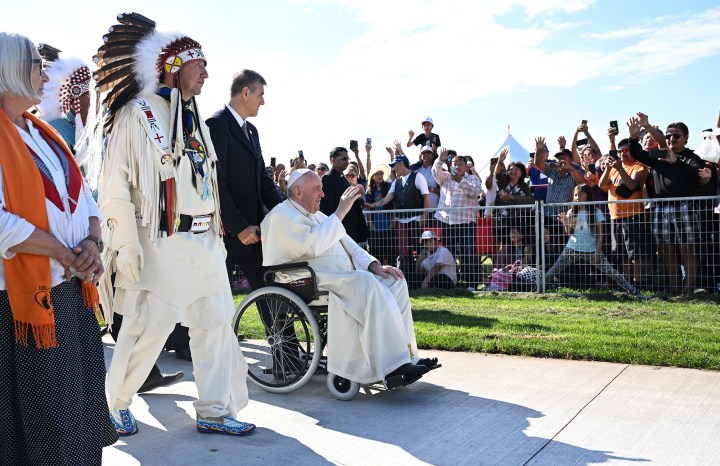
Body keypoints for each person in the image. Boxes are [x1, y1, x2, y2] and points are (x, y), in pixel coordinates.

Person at [91, 13, 254, 436]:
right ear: (174, 67)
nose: (206, 73)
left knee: (216, 324)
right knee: (149, 327)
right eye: (199, 65)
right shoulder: (136, 114)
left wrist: (218, 227)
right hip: (162, 239)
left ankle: (214, 410)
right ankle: (115, 403)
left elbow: (207, 177)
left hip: (203, 242)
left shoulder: (194, 116)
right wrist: (126, 243)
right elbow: (115, 186)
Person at [0, 32, 117, 464]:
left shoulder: (45, 134)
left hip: (70, 294)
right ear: (8, 67)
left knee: (80, 414)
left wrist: (91, 244)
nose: (46, 74)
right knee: (47, 423)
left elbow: (84, 198)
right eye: (35, 63)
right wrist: (61, 252)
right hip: (25, 303)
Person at [260, 169, 438, 386]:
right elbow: (314, 245)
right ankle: (391, 367)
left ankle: (407, 356)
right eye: (317, 189)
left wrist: (375, 266)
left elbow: (348, 243)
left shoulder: (316, 214)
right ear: (298, 191)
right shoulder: (281, 215)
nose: (322, 194)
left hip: (339, 276)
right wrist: (341, 210)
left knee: (395, 281)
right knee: (365, 283)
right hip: (309, 280)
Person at [206, 69, 282, 293]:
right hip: (228, 235)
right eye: (261, 94)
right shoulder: (216, 125)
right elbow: (216, 182)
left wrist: (285, 212)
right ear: (246, 92)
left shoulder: (252, 131)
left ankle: (281, 331)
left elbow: (262, 179)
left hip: (255, 233)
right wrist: (239, 227)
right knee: (213, 301)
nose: (263, 101)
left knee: (273, 298)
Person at [627, 114, 709, 293]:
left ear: (686, 138)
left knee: (687, 247)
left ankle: (688, 290)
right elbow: (637, 153)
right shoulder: (658, 156)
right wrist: (633, 137)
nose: (672, 139)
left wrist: (676, 162)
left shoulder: (692, 157)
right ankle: (675, 289)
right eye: (668, 135)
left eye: (676, 136)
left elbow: (697, 175)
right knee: (666, 248)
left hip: (684, 206)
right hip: (661, 207)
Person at [545, 185, 638, 294]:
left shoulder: (597, 212)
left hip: (592, 250)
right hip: (572, 249)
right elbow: (569, 233)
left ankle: (633, 291)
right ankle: (537, 288)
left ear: (588, 195)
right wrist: (565, 223)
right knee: (553, 270)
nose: (577, 197)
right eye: (575, 195)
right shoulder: (571, 212)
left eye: (580, 194)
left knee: (612, 272)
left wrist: (598, 252)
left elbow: (600, 235)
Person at [598, 136, 649, 287]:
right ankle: (627, 284)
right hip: (615, 216)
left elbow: (633, 185)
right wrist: (608, 168)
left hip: (632, 215)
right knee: (621, 254)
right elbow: (602, 185)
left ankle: (638, 284)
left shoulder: (639, 166)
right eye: (620, 151)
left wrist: (620, 168)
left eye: (626, 150)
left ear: (632, 151)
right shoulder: (614, 169)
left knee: (636, 253)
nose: (622, 153)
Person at [369, 154, 431, 278]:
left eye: (394, 165)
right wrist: (370, 205)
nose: (393, 168)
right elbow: (387, 199)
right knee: (403, 250)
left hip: (416, 219)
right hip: (402, 220)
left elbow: (426, 196)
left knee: (418, 248)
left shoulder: (417, 176)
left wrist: (425, 215)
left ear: (402, 163)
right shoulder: (396, 181)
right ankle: (407, 277)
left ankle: (419, 276)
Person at [432, 148, 483, 287]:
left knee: (468, 253)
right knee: (448, 253)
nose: (457, 166)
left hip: (466, 221)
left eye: (460, 163)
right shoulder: (445, 177)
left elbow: (477, 191)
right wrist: (440, 160)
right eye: (454, 163)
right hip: (447, 221)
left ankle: (471, 284)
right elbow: (435, 172)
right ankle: (451, 282)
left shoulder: (473, 178)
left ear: (466, 167)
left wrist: (460, 180)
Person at [37, 56, 92, 155]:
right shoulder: (53, 128)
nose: (97, 101)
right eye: (90, 95)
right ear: (76, 98)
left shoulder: (101, 130)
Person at [319, 147, 369, 244]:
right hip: (339, 233)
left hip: (350, 232)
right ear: (332, 159)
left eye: (348, 159)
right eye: (343, 159)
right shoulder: (328, 178)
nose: (346, 161)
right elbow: (326, 209)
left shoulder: (342, 178)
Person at [365, 164, 395, 265]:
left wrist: (393, 220)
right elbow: (368, 208)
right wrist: (370, 223)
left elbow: (394, 205)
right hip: (375, 224)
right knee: (376, 252)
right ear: (372, 177)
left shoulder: (389, 186)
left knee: (390, 252)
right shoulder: (369, 190)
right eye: (376, 174)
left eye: (381, 173)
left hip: (388, 223)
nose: (379, 176)